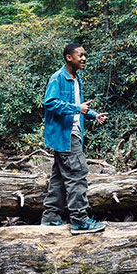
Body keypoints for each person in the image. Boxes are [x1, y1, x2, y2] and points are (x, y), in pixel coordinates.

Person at [42, 41, 109, 234]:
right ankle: (80, 221)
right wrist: (77, 108)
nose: (84, 58)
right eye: (80, 55)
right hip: (65, 135)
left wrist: (93, 114)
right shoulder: (58, 78)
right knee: (78, 174)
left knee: (58, 178)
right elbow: (50, 103)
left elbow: (78, 106)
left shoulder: (76, 78)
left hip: (72, 133)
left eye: (85, 55)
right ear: (69, 57)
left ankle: (51, 217)